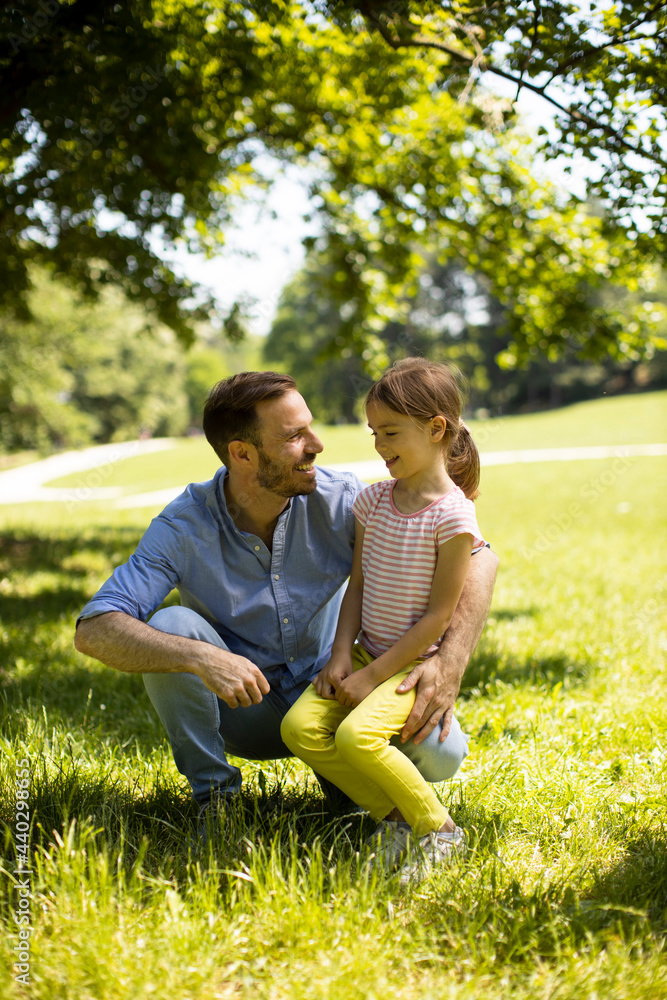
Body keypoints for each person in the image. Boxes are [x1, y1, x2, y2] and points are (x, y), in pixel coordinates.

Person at [74, 370, 498, 833]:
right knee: (173, 624)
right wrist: (203, 658)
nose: (316, 444)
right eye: (295, 436)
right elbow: (94, 627)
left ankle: (361, 797)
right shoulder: (183, 526)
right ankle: (216, 799)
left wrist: (450, 660)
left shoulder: (343, 499)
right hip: (243, 706)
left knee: (441, 753)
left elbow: (482, 558)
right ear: (242, 453)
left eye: (310, 427)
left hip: (333, 690)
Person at [281, 358, 485, 883]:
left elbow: (440, 617)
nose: (379, 445)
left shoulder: (454, 516)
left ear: (436, 428)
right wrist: (343, 655)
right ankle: (395, 820)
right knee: (299, 728)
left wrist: (374, 676)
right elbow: (359, 585)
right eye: (374, 433)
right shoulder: (373, 501)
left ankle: (439, 830)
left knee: (356, 739)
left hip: (406, 664)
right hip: (366, 652)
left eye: (390, 432)